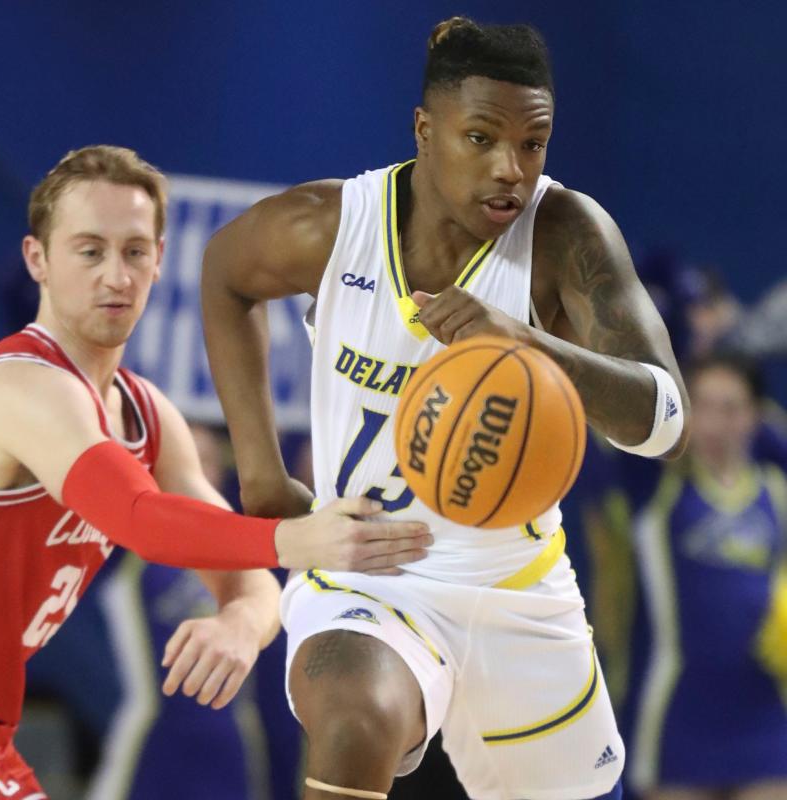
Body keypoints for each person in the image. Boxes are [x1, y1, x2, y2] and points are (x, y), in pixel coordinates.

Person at [0, 145, 432, 800]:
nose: (116, 275)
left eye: (135, 251)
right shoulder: (22, 388)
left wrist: (237, 624)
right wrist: (301, 539)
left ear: (159, 261)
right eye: (89, 251)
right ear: (39, 261)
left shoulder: (148, 413)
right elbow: (141, 519)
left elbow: (248, 580)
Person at [202, 18, 689, 800]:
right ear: (424, 130)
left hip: (517, 587)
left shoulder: (565, 232)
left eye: (533, 144)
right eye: (481, 138)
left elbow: (667, 423)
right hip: (370, 578)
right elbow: (225, 273)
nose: (511, 170)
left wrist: (527, 343)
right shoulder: (334, 225)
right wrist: (260, 473)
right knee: (353, 724)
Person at [626, 356, 787, 800]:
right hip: (680, 712)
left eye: (731, 408)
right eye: (705, 407)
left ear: (756, 413)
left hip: (766, 714)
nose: (715, 424)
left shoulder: (776, 490)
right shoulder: (657, 487)